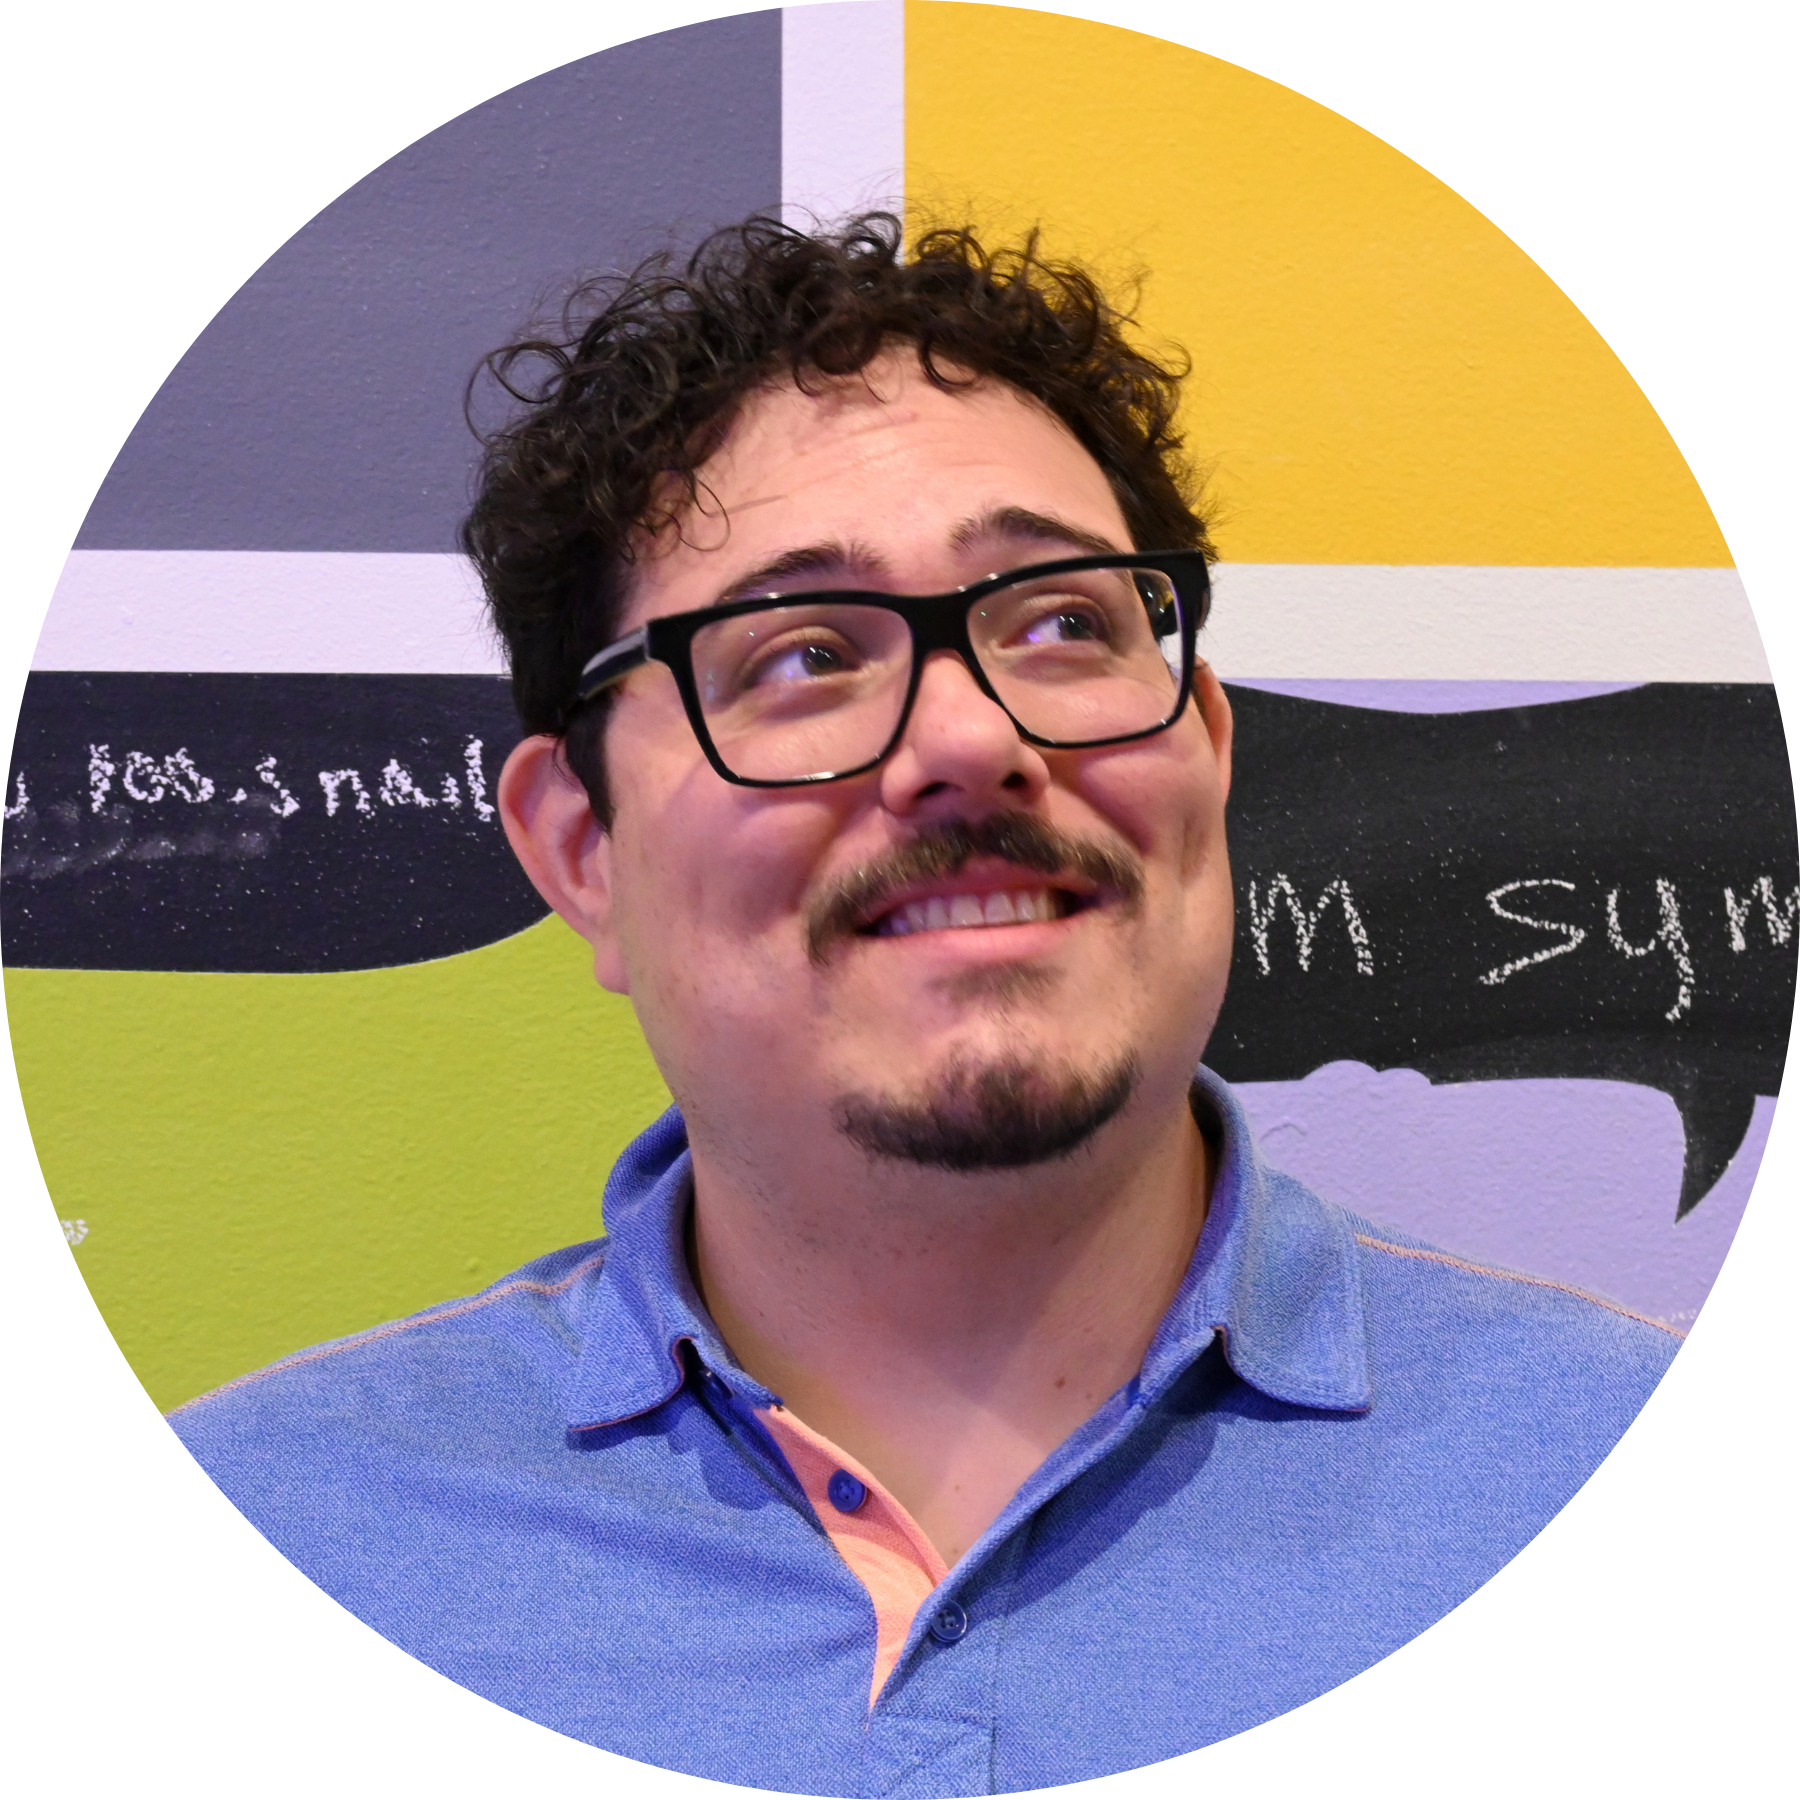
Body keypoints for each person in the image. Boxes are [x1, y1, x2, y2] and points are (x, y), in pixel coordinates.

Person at [170, 216, 1680, 1796]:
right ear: (581, 850)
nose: (969, 740)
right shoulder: (225, 1570)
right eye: (805, 656)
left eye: (1062, 626)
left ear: (1209, 751)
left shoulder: (1678, 1512)